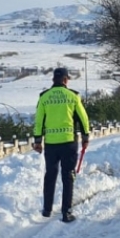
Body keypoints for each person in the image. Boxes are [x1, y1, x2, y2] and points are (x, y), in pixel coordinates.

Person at [33, 67, 90, 223]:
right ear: (66, 80)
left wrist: (38, 141)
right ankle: (67, 212)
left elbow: (39, 121)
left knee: (50, 175)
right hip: (69, 143)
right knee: (68, 177)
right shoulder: (73, 96)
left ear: (54, 80)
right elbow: (83, 118)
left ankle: (47, 209)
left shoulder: (44, 97)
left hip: (51, 144)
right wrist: (86, 137)